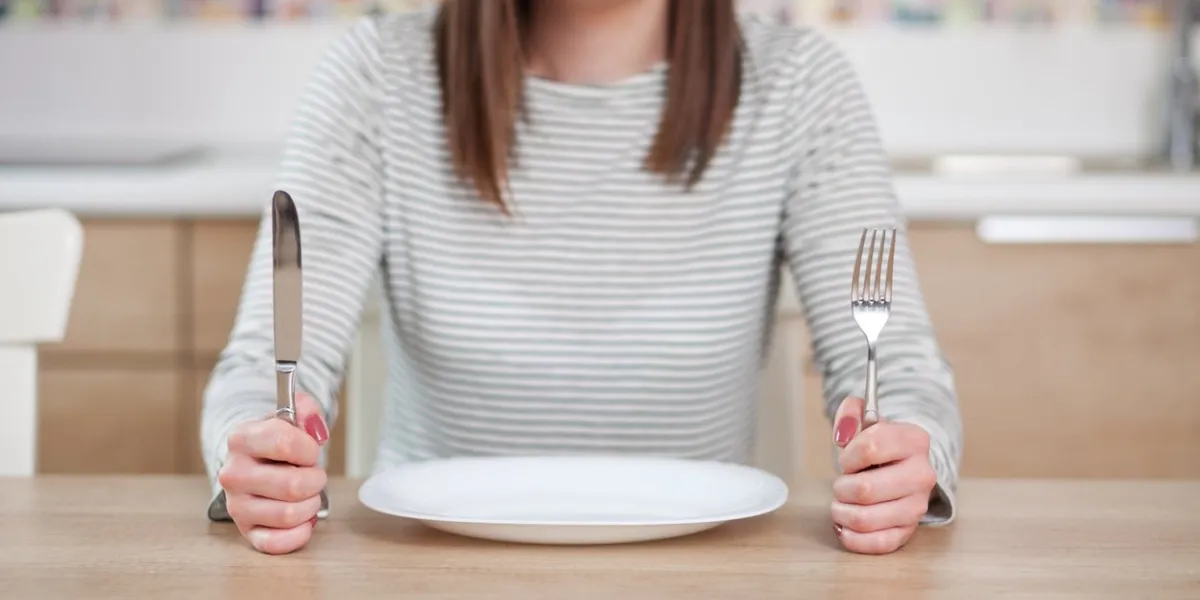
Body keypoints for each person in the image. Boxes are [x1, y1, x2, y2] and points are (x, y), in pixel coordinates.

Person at [201, 0, 962, 556]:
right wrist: (261, 451)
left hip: (705, 573)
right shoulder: (375, 75)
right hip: (431, 569)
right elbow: (260, 369)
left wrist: (904, 454)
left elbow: (897, 372)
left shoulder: (802, 86)